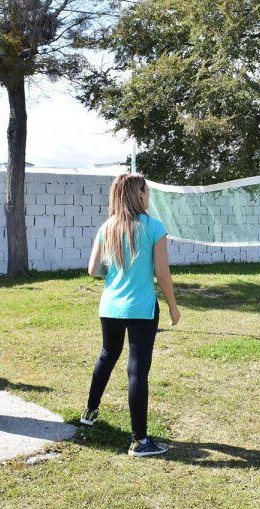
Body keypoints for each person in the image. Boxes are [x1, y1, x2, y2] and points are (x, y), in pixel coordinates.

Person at [82, 173, 180, 457]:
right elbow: (162, 273)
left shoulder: (107, 227)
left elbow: (93, 270)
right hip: (141, 309)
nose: (148, 195)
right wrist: (173, 306)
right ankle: (139, 441)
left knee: (107, 355)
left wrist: (115, 271)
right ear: (139, 194)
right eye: (146, 190)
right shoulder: (154, 228)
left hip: (110, 307)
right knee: (137, 370)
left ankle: (89, 413)